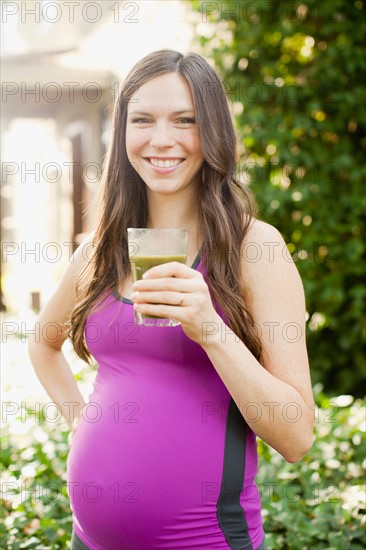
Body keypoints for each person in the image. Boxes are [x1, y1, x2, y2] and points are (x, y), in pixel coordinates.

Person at [28, 49, 314, 550]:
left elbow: (296, 438)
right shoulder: (102, 249)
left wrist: (212, 331)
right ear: (123, 135)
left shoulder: (254, 248)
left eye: (186, 120)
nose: (162, 139)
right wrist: (81, 426)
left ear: (215, 133)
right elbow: (43, 344)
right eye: (142, 120)